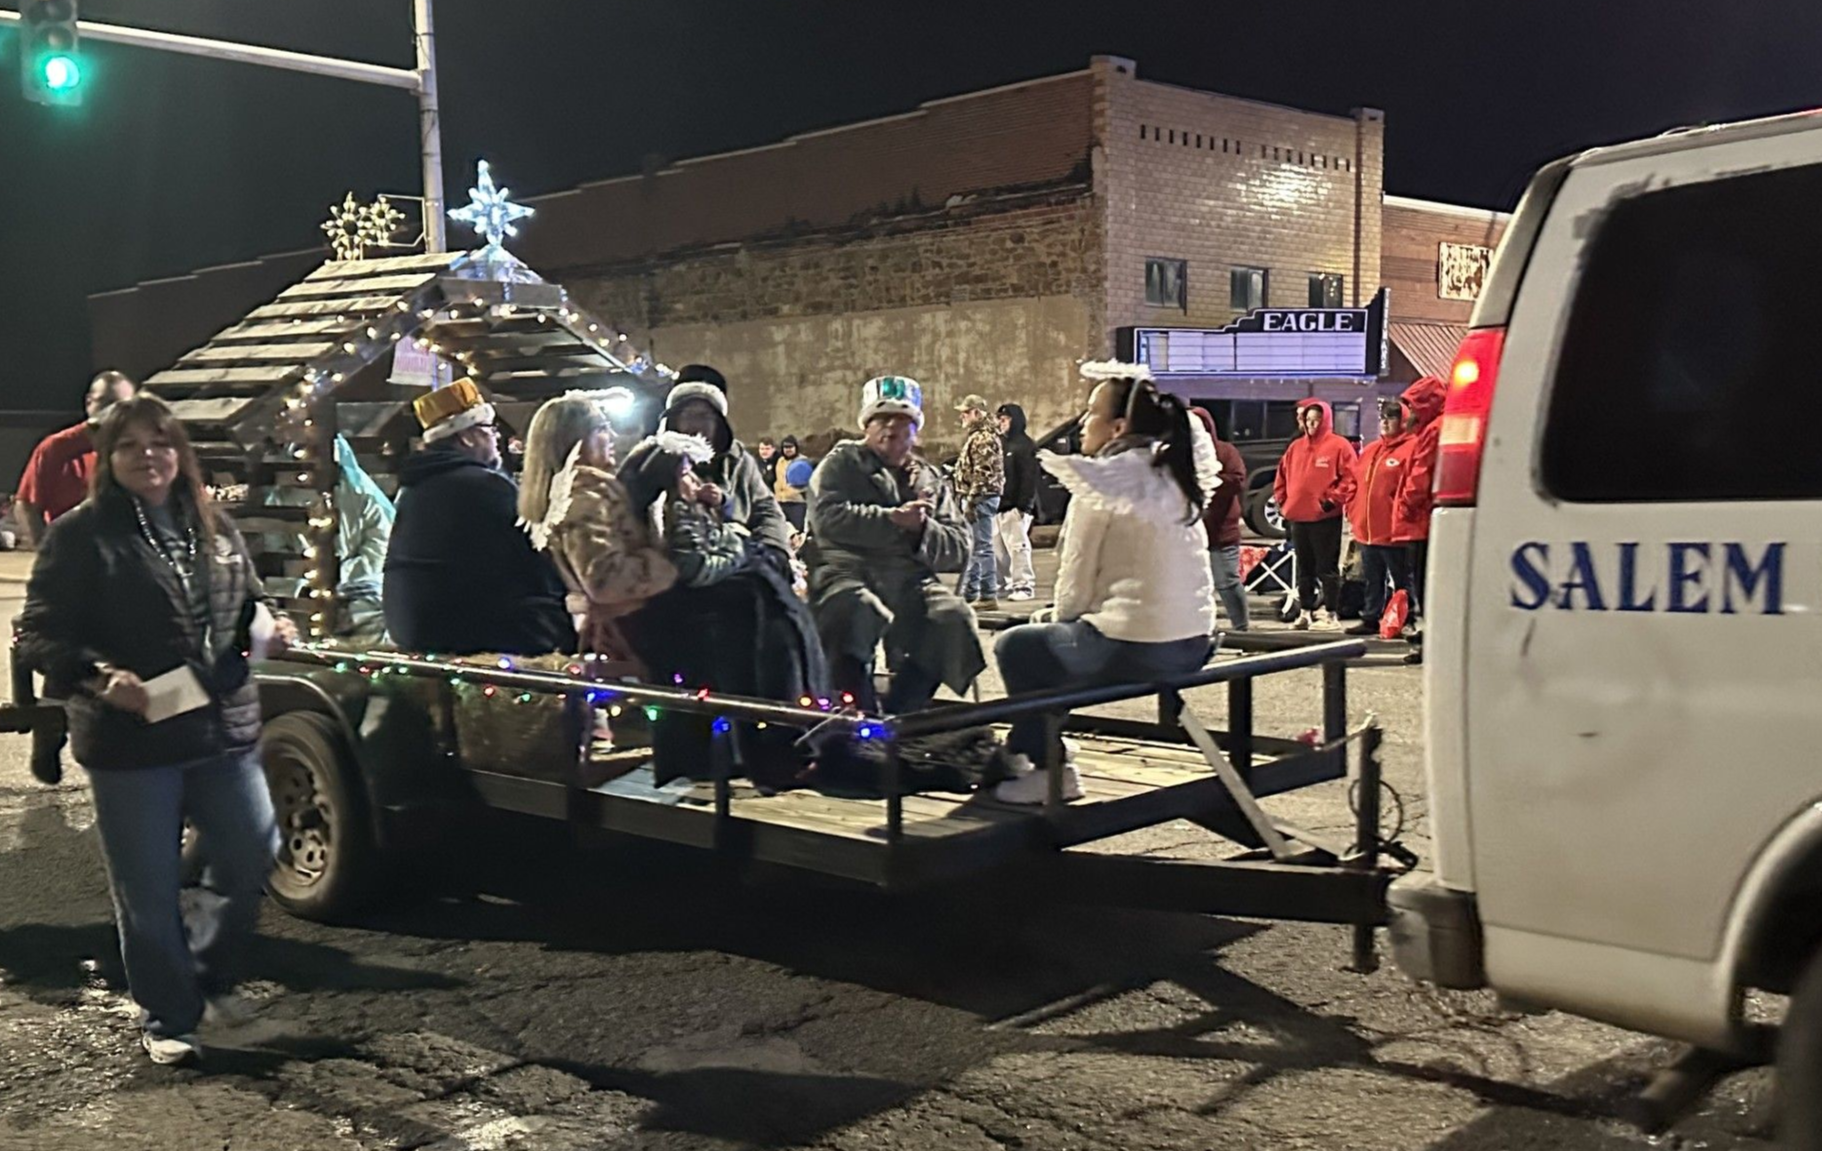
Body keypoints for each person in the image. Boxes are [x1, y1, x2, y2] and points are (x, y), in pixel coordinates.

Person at [16, 394, 298, 1066]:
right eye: (131, 445)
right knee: (144, 886)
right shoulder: (83, 534)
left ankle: (199, 957)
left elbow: (252, 600)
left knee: (252, 845)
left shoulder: (213, 525)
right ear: (107, 460)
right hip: (131, 739)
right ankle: (169, 1014)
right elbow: (39, 630)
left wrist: (272, 626)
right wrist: (97, 673)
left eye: (161, 442)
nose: (149, 455)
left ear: (181, 452)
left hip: (220, 725)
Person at [992, 366, 1219, 804]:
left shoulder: (1104, 482)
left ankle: (1049, 768)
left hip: (1136, 647)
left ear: (1118, 427)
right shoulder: (1173, 472)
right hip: (1194, 643)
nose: (1082, 422)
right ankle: (1033, 746)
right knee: (1055, 646)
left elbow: (1074, 585)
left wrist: (1052, 621)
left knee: (1018, 647)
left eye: (1091, 411)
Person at [618, 431, 828, 784]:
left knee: (784, 629)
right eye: (685, 473)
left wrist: (727, 521)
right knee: (767, 647)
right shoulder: (674, 512)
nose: (694, 479)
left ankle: (789, 739)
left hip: (726, 601)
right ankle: (772, 750)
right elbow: (697, 567)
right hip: (704, 610)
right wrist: (740, 545)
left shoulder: (693, 506)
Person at [804, 376, 983, 715]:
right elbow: (826, 518)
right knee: (855, 610)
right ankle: (858, 711)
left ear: (915, 431)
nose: (890, 428)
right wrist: (891, 520)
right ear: (866, 427)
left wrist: (922, 531)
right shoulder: (841, 463)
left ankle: (903, 709)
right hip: (846, 570)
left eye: (901, 420)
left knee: (952, 617)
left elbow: (961, 544)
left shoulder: (928, 478)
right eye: (880, 419)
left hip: (908, 577)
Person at [382, 379, 575, 655]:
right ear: (466, 436)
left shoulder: (415, 488)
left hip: (412, 628)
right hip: (467, 631)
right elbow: (534, 556)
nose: (496, 437)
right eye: (488, 429)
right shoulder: (484, 486)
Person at [517, 392, 675, 663]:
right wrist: (668, 563)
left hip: (626, 634)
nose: (612, 435)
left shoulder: (581, 492)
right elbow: (605, 581)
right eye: (601, 428)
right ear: (573, 441)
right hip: (631, 635)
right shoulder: (582, 498)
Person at [262, 435, 394, 642]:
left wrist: (339, 576)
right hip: (305, 588)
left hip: (359, 584)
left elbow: (379, 547)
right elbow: (277, 551)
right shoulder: (280, 500)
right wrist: (307, 582)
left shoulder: (361, 496)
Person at [656, 376, 793, 565]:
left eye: (705, 417)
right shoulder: (657, 458)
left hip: (740, 555)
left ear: (718, 424)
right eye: (689, 416)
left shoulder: (739, 461)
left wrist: (775, 552)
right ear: (674, 421)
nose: (697, 425)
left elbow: (766, 509)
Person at [15, 370, 137, 546]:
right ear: (89, 402)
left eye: (122, 405)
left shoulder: (136, 449)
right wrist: (45, 550)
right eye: (106, 403)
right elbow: (26, 505)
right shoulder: (56, 448)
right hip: (69, 550)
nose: (112, 412)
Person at [1273, 399, 1357, 630]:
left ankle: (1331, 614)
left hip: (1324, 518)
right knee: (1304, 569)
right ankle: (1306, 613)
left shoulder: (1339, 446)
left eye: (1316, 420)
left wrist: (1331, 502)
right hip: (1298, 517)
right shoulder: (1295, 447)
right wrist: (1283, 502)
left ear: (1325, 420)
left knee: (1327, 569)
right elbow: (1281, 477)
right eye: (1308, 420)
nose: (1312, 424)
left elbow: (1351, 478)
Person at [1344, 399, 1417, 637]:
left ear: (1403, 421)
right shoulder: (1371, 450)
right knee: (1372, 579)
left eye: (1391, 417)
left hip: (1394, 531)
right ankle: (1371, 617)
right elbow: (1355, 482)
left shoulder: (1411, 448)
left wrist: (1401, 517)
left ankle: (1407, 620)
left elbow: (1411, 488)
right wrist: (1353, 509)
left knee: (1402, 581)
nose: (1385, 421)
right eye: (1383, 417)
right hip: (1368, 530)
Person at [1391, 375, 1446, 665]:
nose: (1408, 414)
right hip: (1425, 521)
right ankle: (1430, 641)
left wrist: (1405, 508)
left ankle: (1431, 646)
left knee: (1427, 588)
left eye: (1411, 406)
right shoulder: (1433, 429)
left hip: (1422, 522)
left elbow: (1419, 476)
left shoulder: (1431, 432)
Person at [1191, 406, 1250, 630]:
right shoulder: (1177, 455)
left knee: (1227, 582)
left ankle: (1242, 630)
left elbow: (1237, 479)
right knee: (1190, 587)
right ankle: (1194, 632)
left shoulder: (1225, 451)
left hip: (1221, 531)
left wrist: (1207, 481)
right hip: (1189, 533)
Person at [952, 394, 1005, 609]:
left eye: (966, 412)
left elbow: (983, 473)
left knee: (982, 547)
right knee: (975, 547)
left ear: (977, 413)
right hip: (978, 497)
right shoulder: (981, 436)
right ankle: (971, 592)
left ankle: (987, 595)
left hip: (981, 498)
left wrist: (972, 501)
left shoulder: (983, 438)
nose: (962, 416)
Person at [994, 402, 1039, 602]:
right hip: (999, 507)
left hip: (1015, 508)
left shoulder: (1025, 446)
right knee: (998, 550)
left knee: (1018, 548)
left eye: (1005, 420)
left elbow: (1029, 478)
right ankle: (1002, 585)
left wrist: (1023, 507)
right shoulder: (1001, 445)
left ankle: (1024, 585)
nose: (1001, 423)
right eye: (1000, 420)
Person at [774, 436, 808, 532]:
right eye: (785, 447)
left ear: (796, 447)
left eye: (790, 447)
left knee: (797, 532)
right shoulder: (780, 461)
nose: (788, 450)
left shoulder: (803, 462)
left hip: (796, 503)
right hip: (780, 501)